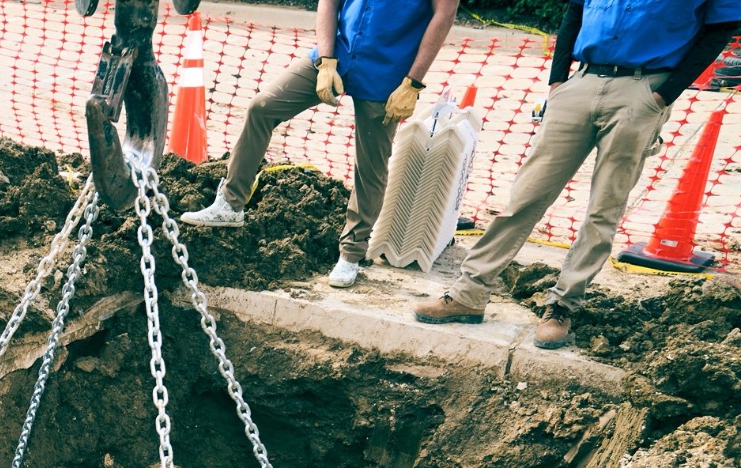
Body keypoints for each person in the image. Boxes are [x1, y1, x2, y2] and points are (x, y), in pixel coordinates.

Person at [415, 0, 741, 347]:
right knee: (524, 196)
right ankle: (468, 293)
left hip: (643, 88)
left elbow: (719, 28)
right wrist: (558, 81)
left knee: (604, 209)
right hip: (582, 81)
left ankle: (562, 307)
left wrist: (663, 94)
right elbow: (575, 11)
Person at [181, 0, 460, 289]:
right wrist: (326, 60)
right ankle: (230, 203)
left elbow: (445, 13)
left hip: (388, 72)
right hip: (338, 53)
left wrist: (413, 83)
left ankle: (351, 253)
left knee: (371, 165)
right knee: (261, 108)